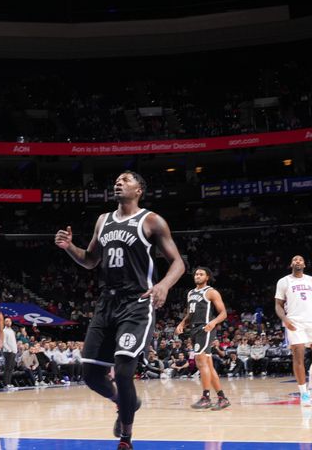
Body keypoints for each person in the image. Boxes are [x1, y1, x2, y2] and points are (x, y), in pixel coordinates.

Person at [55, 171, 185, 450]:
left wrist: (163, 286)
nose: (118, 182)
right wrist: (69, 248)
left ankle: (126, 437)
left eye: (126, 179)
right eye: (116, 179)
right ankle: (124, 403)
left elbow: (178, 263)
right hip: (107, 303)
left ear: (139, 189)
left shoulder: (151, 220)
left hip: (136, 303)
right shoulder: (103, 220)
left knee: (125, 373)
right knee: (90, 375)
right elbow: (90, 261)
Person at [175, 266, 230, 410]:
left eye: (201, 274)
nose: (197, 276)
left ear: (207, 277)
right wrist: (182, 323)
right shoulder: (191, 293)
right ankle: (222, 398)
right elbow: (190, 313)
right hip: (194, 329)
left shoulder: (211, 292)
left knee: (200, 360)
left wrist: (213, 322)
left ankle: (206, 397)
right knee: (209, 365)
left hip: (205, 328)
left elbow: (223, 313)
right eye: (196, 274)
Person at [274, 255, 312, 407]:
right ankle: (303, 393)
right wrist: (285, 319)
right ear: (291, 264)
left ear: (304, 264)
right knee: (298, 356)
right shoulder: (284, 281)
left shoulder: (310, 280)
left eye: (300, 260)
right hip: (295, 322)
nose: (298, 261)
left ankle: (310, 387)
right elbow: (278, 305)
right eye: (295, 260)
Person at [1, 317, 18, 389]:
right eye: (6, 321)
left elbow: (13, 342)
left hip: (13, 352)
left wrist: (15, 350)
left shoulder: (12, 331)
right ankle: (6, 384)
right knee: (7, 368)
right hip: (8, 352)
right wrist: (9, 350)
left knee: (11, 368)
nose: (8, 322)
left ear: (11, 322)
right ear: (4, 323)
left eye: (9, 321)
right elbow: (3, 342)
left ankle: (9, 383)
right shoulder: (4, 331)